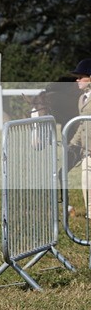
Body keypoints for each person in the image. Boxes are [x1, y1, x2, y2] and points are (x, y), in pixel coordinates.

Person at [68, 59, 91, 216]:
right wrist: (71, 144)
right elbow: (82, 124)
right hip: (86, 150)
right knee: (86, 182)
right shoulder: (81, 99)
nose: (77, 80)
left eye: (80, 77)